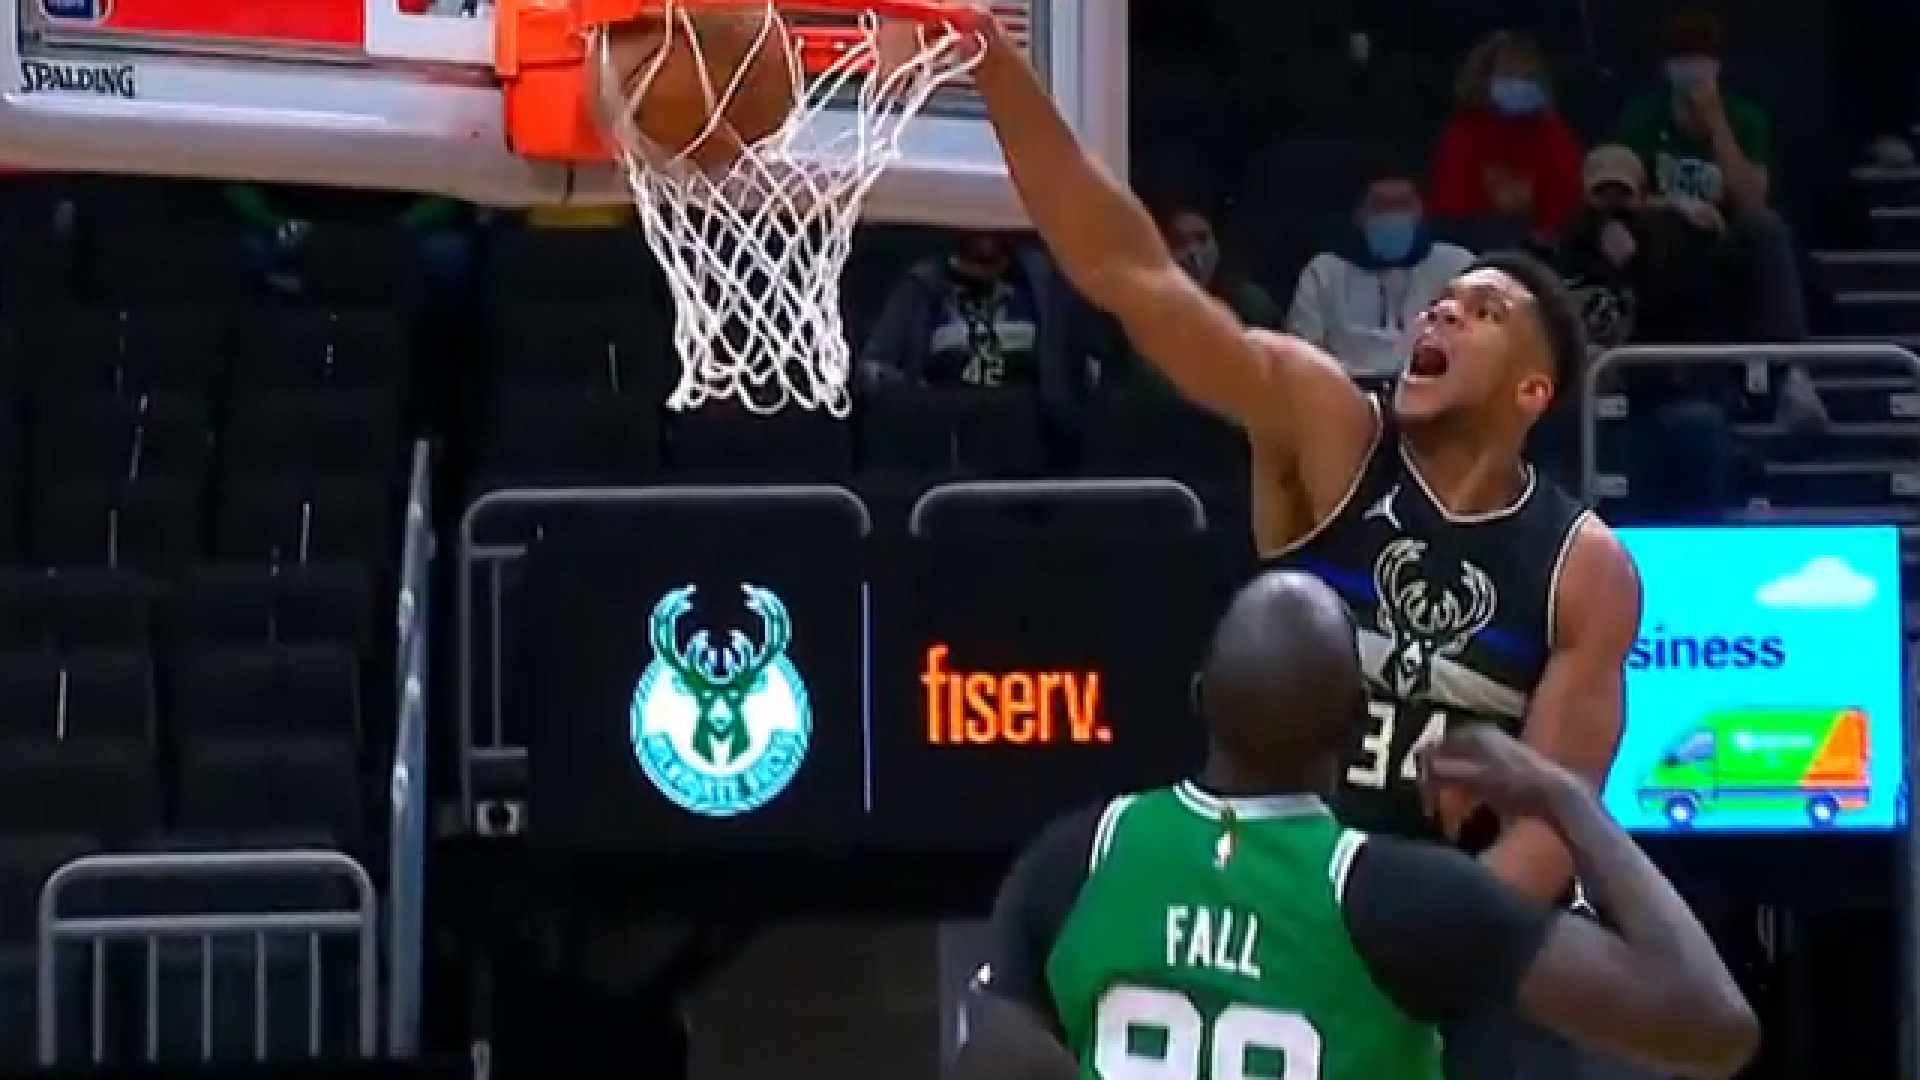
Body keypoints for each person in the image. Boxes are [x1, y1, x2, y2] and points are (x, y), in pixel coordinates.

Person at [960, 9, 1659, 1077]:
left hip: (1455, 944)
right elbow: (1133, 275)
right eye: (1438, 306)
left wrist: (1405, 944)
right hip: (1282, 899)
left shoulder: (1584, 565)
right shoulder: (1333, 428)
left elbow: (1551, 833)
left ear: (1533, 389)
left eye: (1479, 312)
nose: (1439, 317)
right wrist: (999, 73)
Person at [953, 568, 1758, 1080]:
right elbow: (1713, 1027)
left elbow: (986, 1058)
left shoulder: (1081, 856)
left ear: (1200, 699)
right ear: (1354, 726)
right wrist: (1566, 796)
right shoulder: (1396, 896)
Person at [1614, 7, 1806, 342]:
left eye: (1702, 59)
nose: (1693, 70)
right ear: (1667, 67)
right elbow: (1621, 198)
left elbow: (1753, 199)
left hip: (1727, 232)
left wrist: (1717, 125)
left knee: (1767, 229)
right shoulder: (1641, 117)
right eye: (1684, 58)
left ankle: (1785, 356)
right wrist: (1677, 207)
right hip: (1662, 229)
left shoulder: (1745, 117)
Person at [1288, 159, 1475, 384]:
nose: (1393, 215)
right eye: (1381, 205)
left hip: (1434, 387)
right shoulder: (1324, 272)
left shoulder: (1457, 264)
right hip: (1347, 389)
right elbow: (1303, 352)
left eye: (1403, 205)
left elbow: (1476, 342)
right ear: (1358, 213)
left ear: (1420, 209)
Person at [1428, 31, 1584, 247]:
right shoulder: (1461, 135)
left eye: (1527, 76)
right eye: (1508, 75)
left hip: (1544, 247)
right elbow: (1449, 210)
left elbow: (1567, 201)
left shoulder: (1553, 133)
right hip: (1475, 244)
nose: (1518, 84)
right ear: (1484, 78)